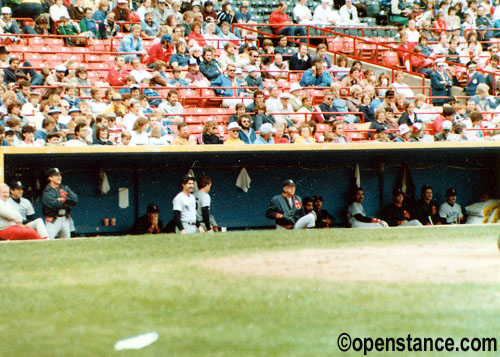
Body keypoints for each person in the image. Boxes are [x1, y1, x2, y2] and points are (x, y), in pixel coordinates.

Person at [42, 168, 78, 239]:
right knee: (48, 242)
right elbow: (55, 204)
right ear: (50, 177)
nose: (59, 177)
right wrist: (67, 201)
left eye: (60, 175)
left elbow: (74, 200)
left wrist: (63, 199)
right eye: (56, 175)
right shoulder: (47, 191)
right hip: (53, 220)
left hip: (65, 219)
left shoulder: (65, 188)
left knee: (66, 243)